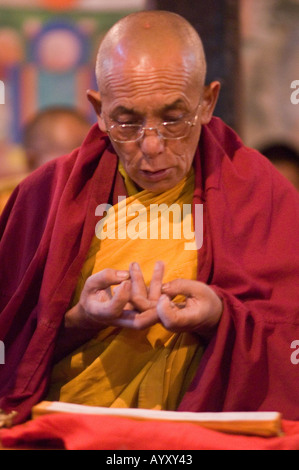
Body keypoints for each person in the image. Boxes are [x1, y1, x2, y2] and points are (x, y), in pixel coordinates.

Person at [0, 10, 299, 426]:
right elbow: (10, 348)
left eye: (174, 119)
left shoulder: (260, 194)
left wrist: (219, 317)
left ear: (208, 102)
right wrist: (78, 321)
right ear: (99, 111)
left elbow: (290, 338)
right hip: (72, 433)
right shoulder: (45, 197)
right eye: (127, 122)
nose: (153, 145)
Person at [0, 107, 90, 213]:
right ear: (31, 161)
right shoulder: (9, 205)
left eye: (88, 163)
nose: (80, 174)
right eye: (68, 165)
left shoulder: (101, 203)